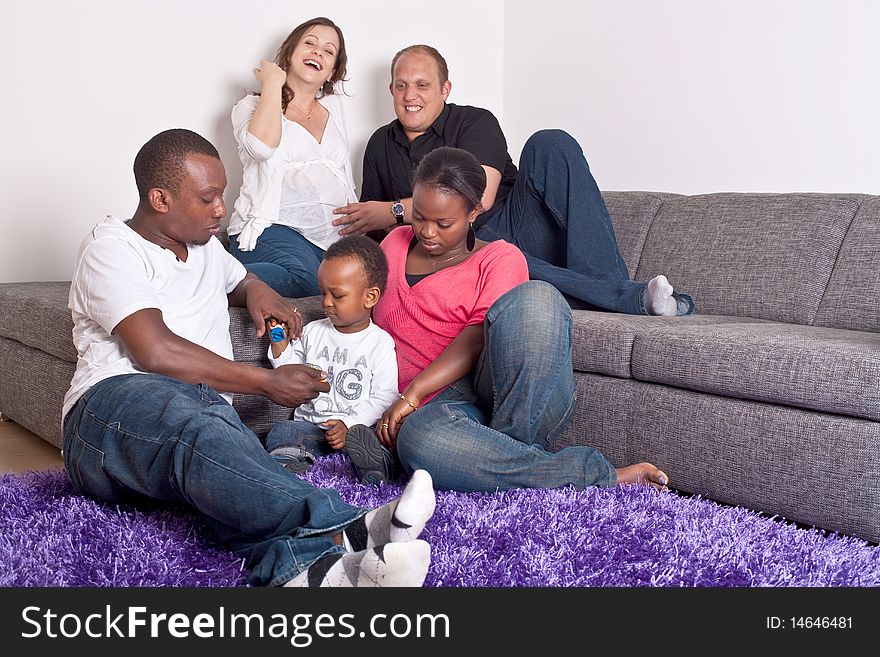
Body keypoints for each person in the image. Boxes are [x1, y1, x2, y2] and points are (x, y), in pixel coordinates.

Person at [62, 128, 436, 587]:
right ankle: (353, 525)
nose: (222, 209)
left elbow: (239, 281)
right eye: (207, 198)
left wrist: (259, 291)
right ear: (160, 198)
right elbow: (154, 350)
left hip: (200, 414)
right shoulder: (111, 249)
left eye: (221, 194)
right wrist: (266, 382)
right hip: (110, 412)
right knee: (199, 427)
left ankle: (313, 572)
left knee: (224, 468)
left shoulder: (205, 246)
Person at [348, 146, 669, 493]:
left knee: (538, 298)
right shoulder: (395, 242)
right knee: (421, 441)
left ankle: (524, 457)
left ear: (473, 212)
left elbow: (475, 339)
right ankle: (526, 466)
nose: (427, 232)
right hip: (435, 415)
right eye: (419, 216)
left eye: (443, 223)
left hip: (503, 395)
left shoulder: (499, 258)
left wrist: (413, 394)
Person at [332, 44, 694, 316]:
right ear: (391, 90)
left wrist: (393, 210)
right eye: (401, 86)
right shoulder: (379, 143)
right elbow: (373, 225)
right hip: (454, 250)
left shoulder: (476, 122)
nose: (410, 96)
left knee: (550, 142)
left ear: (445, 90)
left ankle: (611, 292)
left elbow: (478, 198)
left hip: (515, 221)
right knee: (489, 254)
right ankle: (631, 298)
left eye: (423, 85)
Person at [227, 17, 357, 298]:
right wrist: (274, 83)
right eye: (309, 43)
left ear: (333, 70)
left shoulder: (335, 108)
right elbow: (261, 148)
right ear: (290, 52)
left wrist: (356, 223)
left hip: (329, 239)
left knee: (359, 282)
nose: (317, 52)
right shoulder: (250, 106)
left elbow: (341, 175)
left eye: (328, 50)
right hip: (273, 230)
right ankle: (212, 274)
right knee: (309, 280)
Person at [263, 235, 400, 485]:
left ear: (369, 297)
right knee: (284, 431)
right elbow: (289, 374)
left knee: (373, 438)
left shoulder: (379, 343)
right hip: (314, 428)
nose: (326, 302)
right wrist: (279, 340)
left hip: (356, 429)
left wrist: (348, 425)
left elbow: (385, 397)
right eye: (323, 292)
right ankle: (290, 462)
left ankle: (375, 466)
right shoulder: (314, 332)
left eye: (337, 295)